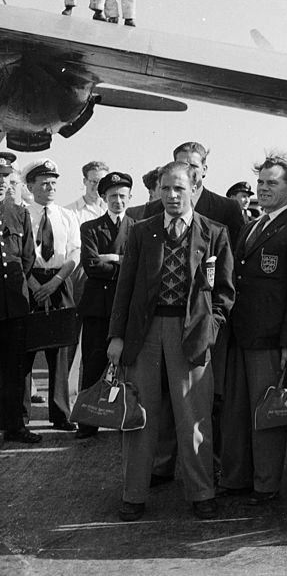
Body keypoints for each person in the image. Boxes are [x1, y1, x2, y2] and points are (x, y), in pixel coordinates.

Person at [107, 161, 234, 521]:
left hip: (191, 332)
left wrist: (210, 329)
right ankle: (133, 495)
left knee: (194, 415)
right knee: (140, 415)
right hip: (145, 333)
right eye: (166, 188)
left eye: (179, 188)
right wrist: (117, 336)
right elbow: (124, 287)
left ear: (194, 189)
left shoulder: (214, 232)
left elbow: (225, 293)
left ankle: (202, 493)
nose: (172, 195)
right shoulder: (141, 230)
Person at [219, 156, 287, 505]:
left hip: (272, 340)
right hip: (242, 334)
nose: (263, 189)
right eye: (261, 183)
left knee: (268, 413)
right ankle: (236, 479)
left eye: (272, 183)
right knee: (236, 413)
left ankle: (265, 484)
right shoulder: (251, 226)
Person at [75, 171, 134, 439]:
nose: (117, 201)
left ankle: (125, 418)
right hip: (98, 307)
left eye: (122, 196)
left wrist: (111, 258)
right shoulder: (90, 228)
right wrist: (123, 262)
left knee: (129, 366)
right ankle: (87, 422)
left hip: (128, 306)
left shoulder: (139, 228)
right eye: (112, 196)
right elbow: (91, 265)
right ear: (104, 198)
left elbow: (140, 267)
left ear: (130, 197)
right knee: (93, 362)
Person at [24, 159, 81, 432]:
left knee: (59, 351)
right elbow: (17, 254)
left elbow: (74, 252)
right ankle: (20, 417)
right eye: (44, 183)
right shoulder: (23, 215)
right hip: (29, 281)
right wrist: (34, 284)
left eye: (54, 183)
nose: (50, 187)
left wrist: (56, 281)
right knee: (25, 350)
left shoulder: (66, 215)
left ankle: (60, 414)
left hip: (59, 281)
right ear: (30, 186)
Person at [0, 158, 39, 444]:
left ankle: (14, 425)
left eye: (4, 176)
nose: (1, 182)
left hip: (14, 302)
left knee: (14, 368)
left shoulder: (19, 213)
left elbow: (28, 258)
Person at [142, 142, 244, 246]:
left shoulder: (227, 208)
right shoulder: (153, 209)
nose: (188, 170)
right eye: (182, 165)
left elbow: (235, 250)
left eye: (193, 166)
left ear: (204, 170)